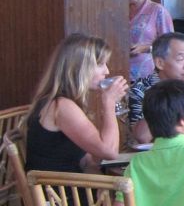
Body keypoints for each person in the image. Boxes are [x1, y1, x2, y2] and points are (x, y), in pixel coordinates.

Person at [24, 34, 127, 173]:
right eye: (100, 64)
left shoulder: (58, 101)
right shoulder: (62, 106)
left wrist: (98, 175)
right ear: (79, 67)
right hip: (56, 186)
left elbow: (85, 158)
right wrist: (109, 103)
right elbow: (110, 152)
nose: (107, 71)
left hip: (63, 183)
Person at [116, 0, 174, 82]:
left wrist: (146, 48)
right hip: (119, 74)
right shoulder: (117, 10)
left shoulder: (157, 11)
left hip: (147, 76)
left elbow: (170, 45)